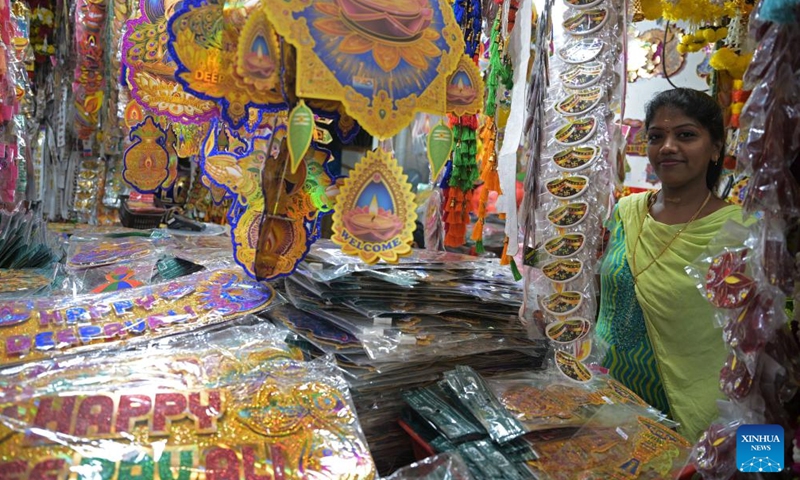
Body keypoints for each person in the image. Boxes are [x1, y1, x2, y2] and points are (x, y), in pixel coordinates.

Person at [596, 88, 745, 441]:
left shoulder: (741, 229)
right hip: (607, 404)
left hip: (701, 417)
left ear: (715, 149)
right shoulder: (625, 213)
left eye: (686, 135)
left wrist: (762, 458)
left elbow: (763, 343)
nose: (667, 147)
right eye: (656, 136)